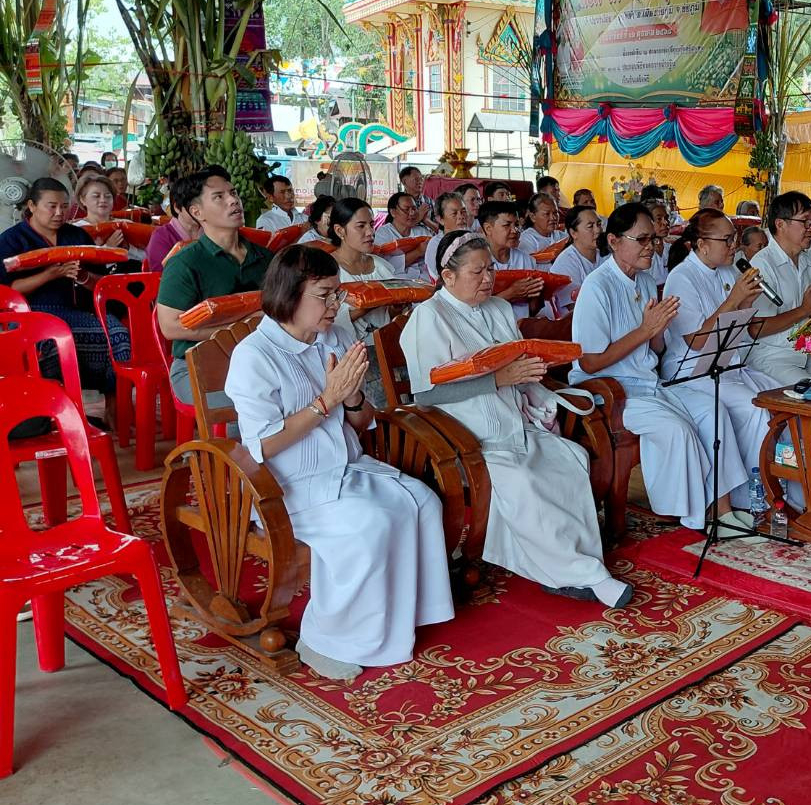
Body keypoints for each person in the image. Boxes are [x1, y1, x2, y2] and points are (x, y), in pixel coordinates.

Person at [224, 245, 454, 680]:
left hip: (345, 467)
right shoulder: (255, 355)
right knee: (372, 524)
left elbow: (363, 421)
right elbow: (264, 445)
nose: (335, 306)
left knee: (423, 501)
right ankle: (326, 637)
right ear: (291, 294)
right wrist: (326, 400)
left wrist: (350, 398)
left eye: (338, 295)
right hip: (288, 485)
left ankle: (399, 615)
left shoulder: (335, 337)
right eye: (325, 295)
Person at [403, 231, 633, 608]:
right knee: (526, 480)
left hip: (513, 419)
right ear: (447, 276)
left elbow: (517, 361)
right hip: (467, 434)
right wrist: (497, 380)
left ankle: (571, 567)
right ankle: (583, 575)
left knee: (571, 459)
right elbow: (426, 394)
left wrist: (533, 371)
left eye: (491, 269)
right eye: (477, 272)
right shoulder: (427, 318)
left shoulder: (497, 308)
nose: (488, 279)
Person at [571, 203, 750, 531]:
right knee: (677, 429)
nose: (651, 248)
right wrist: (646, 330)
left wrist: (657, 331)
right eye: (642, 240)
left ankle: (723, 510)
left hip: (647, 383)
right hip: (611, 390)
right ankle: (696, 515)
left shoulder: (642, 280)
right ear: (613, 241)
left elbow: (655, 346)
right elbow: (589, 361)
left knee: (713, 411)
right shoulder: (597, 287)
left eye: (653, 239)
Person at [661, 209, 778, 496]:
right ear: (702, 245)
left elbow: (736, 325)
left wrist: (744, 302)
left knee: (781, 398)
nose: (733, 246)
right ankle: (752, 496)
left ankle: (784, 485)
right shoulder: (682, 277)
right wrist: (735, 298)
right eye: (726, 240)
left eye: (734, 239)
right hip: (691, 372)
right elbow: (698, 342)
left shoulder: (726, 270)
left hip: (728, 364)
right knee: (754, 409)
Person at [0, 177, 131, 420]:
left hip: (77, 311)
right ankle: (57, 412)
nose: (60, 213)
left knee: (118, 334)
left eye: (64, 206)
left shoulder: (77, 236)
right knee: (52, 343)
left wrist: (82, 276)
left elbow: (100, 284)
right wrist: (50, 274)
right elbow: (8, 290)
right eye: (52, 206)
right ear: (31, 206)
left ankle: (115, 406)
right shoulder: (12, 240)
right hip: (30, 315)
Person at [156, 168, 273, 406]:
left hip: (261, 360)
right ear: (197, 212)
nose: (233, 200)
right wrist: (240, 328)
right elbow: (170, 327)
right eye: (219, 197)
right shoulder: (185, 262)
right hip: (200, 366)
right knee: (251, 407)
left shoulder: (266, 258)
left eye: (233, 193)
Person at [747, 191, 811, 387]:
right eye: (805, 222)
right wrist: (804, 310)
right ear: (780, 224)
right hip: (773, 356)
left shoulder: (809, 263)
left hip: (807, 354)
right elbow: (756, 329)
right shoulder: (763, 264)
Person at [327, 198, 398, 407]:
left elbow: (392, 316)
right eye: (361, 226)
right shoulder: (328, 272)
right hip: (348, 356)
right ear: (340, 231)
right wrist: (373, 302)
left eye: (371, 224)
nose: (370, 232)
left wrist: (395, 307)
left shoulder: (383, 267)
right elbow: (326, 318)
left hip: (388, 349)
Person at [475, 201, 541, 319]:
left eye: (516, 224)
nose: (515, 230)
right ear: (488, 228)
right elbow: (473, 309)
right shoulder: (475, 262)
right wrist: (510, 294)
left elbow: (533, 308)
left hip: (522, 329)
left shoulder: (526, 260)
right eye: (507, 225)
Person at [73, 174, 146, 265]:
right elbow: (77, 266)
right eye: (96, 196)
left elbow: (147, 258)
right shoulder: (76, 229)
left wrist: (128, 248)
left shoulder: (126, 225)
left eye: (108, 196)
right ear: (82, 199)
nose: (103, 200)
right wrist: (107, 248)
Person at [546, 204, 602, 316]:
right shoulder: (565, 263)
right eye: (590, 226)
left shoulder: (605, 254)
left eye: (599, 224)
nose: (598, 230)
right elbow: (576, 307)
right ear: (573, 233)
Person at [374, 192, 433, 281]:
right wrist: (418, 252)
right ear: (393, 212)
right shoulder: (383, 233)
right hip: (397, 283)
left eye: (414, 208)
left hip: (425, 281)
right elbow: (386, 266)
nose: (412, 213)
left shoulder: (422, 231)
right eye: (406, 209)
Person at [145, 189, 202, 271]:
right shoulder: (161, 237)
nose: (198, 210)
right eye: (192, 205)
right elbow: (162, 277)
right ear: (177, 207)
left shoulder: (212, 230)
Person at [424, 192, 469, 279]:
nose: (461, 217)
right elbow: (436, 278)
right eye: (454, 214)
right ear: (440, 219)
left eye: (463, 212)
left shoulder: (472, 238)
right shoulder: (436, 244)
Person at [518, 192, 568, 263]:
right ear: (533, 217)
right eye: (547, 214)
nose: (553, 218)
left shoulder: (563, 236)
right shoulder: (526, 240)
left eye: (555, 213)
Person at [644, 197, 673, 290]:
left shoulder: (671, 249)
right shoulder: (643, 252)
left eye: (667, 218)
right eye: (659, 219)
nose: (665, 223)